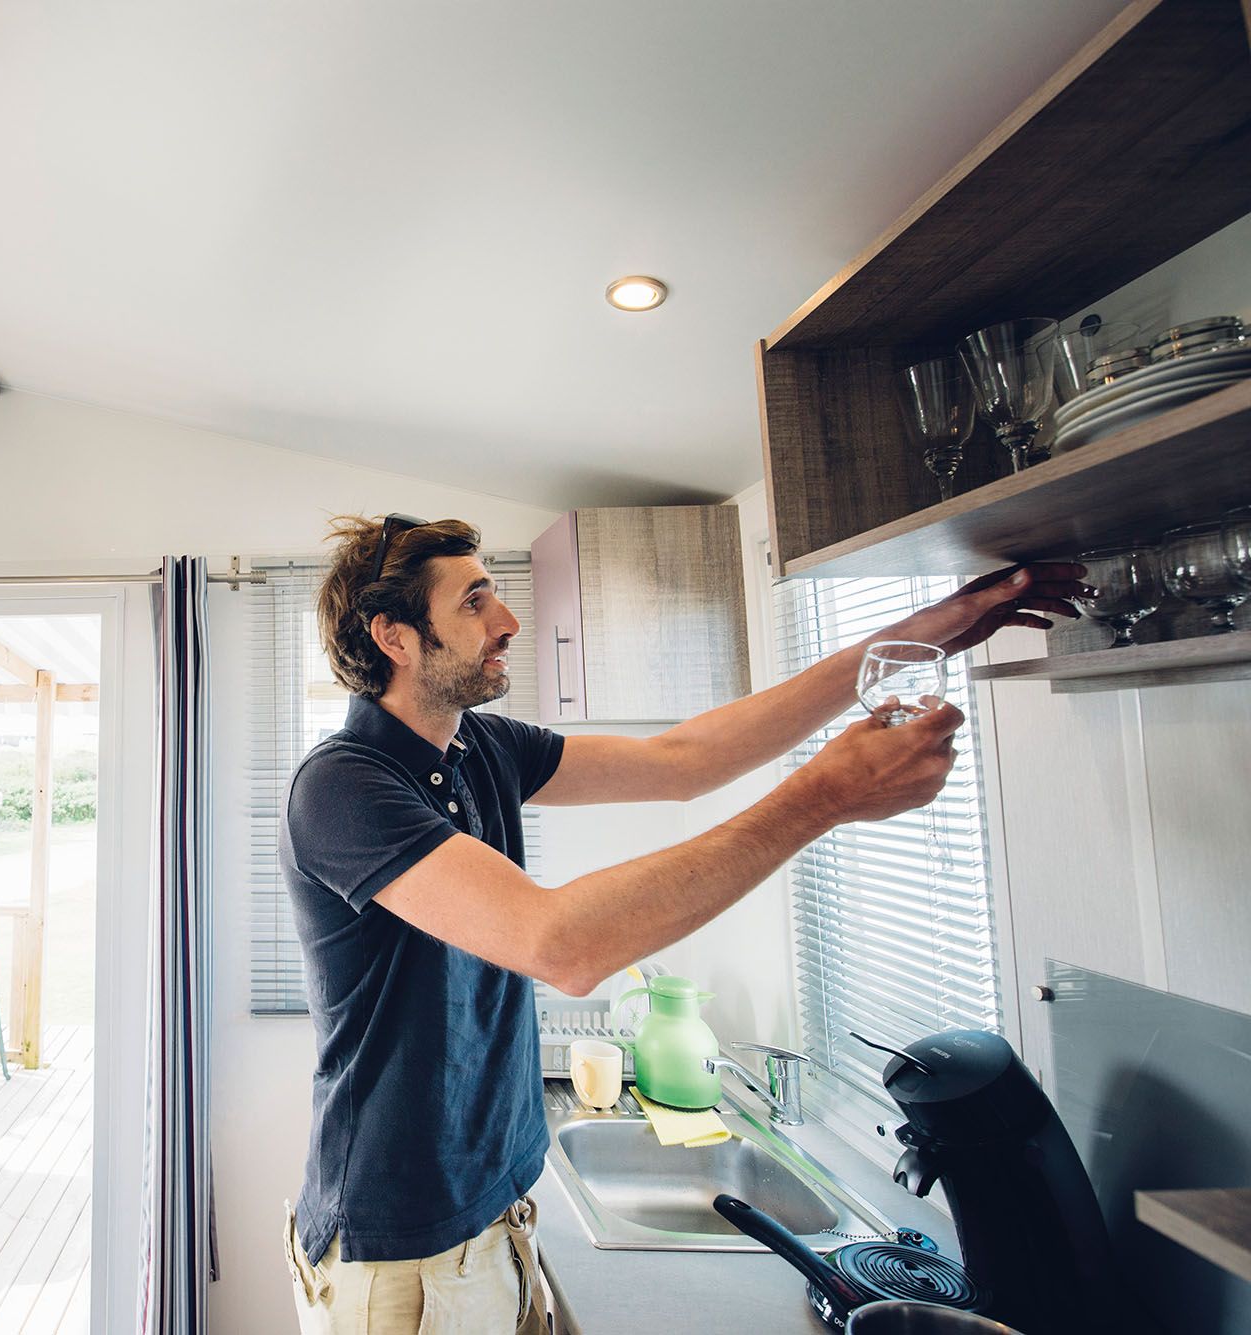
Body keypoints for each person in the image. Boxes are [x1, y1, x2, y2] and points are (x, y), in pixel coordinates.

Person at [279, 513, 1084, 1334]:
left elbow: (684, 761)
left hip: (495, 1215)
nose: (509, 621)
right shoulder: (345, 785)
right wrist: (825, 795)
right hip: (399, 1253)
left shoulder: (477, 749)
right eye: (476, 600)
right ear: (396, 637)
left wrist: (925, 633)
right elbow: (561, 944)